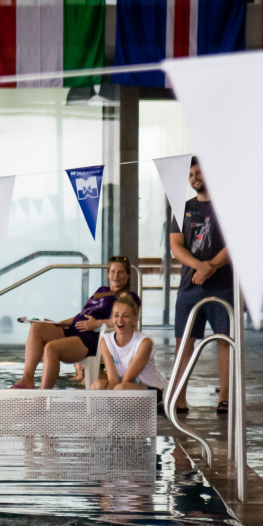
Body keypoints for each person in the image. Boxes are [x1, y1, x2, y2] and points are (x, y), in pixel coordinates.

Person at [11, 256, 138, 390]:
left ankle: (44, 396)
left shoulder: (129, 297)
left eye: (120, 272)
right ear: (108, 274)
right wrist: (60, 323)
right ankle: (27, 379)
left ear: (128, 275)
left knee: (51, 348)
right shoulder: (102, 291)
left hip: (90, 337)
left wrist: (98, 323)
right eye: (113, 271)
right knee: (36, 327)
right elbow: (83, 314)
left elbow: (124, 321)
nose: (116, 276)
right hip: (72, 330)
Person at [169, 158, 232, 414]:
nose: (195, 178)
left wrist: (212, 266)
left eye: (199, 172)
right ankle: (179, 398)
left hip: (223, 285)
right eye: (191, 175)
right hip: (189, 286)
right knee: (184, 343)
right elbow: (176, 246)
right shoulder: (182, 209)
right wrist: (200, 266)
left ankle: (224, 398)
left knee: (224, 341)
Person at [91, 293, 167, 403]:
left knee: (121, 389)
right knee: (97, 386)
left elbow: (127, 380)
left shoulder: (144, 342)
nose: (120, 320)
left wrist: (107, 398)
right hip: (121, 389)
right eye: (116, 315)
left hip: (150, 392)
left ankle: (112, 411)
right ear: (111, 318)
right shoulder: (105, 341)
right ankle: (100, 413)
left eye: (126, 316)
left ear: (134, 320)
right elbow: (113, 380)